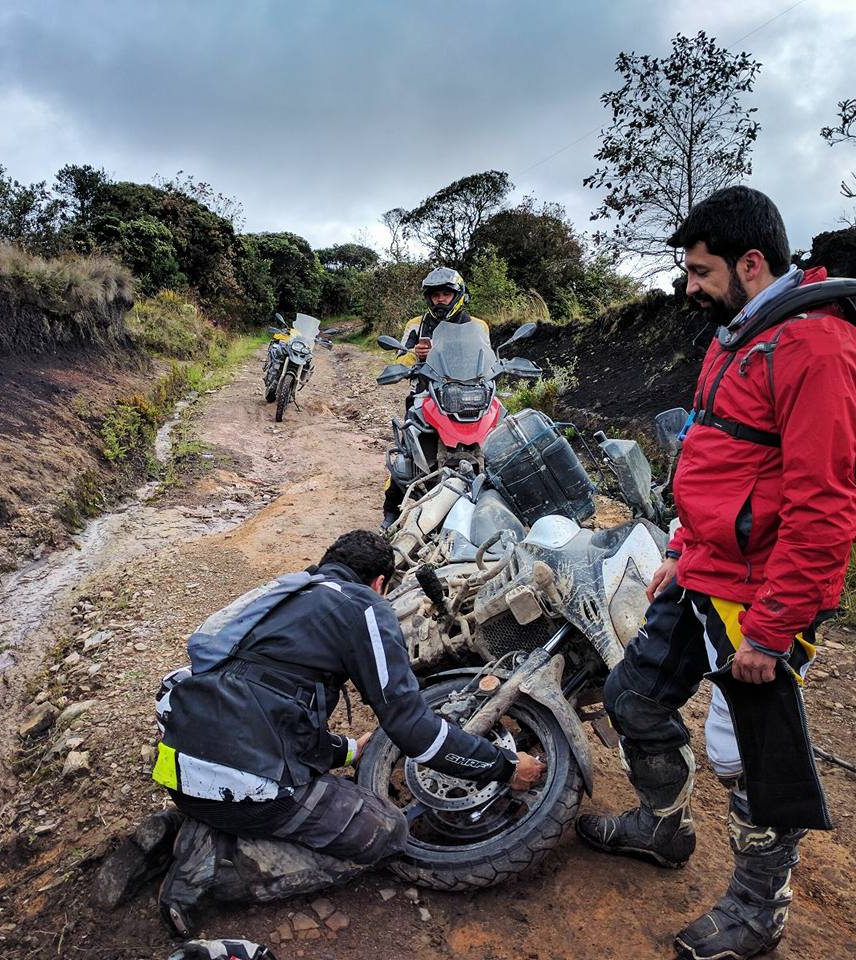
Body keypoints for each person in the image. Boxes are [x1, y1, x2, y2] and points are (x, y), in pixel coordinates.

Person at [575, 186, 856, 960]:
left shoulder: (815, 348)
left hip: (758, 598)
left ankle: (758, 912)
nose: (689, 286)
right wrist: (674, 550)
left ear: (752, 261)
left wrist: (772, 629)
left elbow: (824, 509)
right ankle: (663, 826)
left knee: (753, 761)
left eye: (700, 271)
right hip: (701, 571)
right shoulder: (739, 335)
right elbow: (709, 457)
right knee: (632, 697)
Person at [152, 529, 543, 937]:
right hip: (245, 787)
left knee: (272, 777)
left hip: (179, 767)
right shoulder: (364, 607)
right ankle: (214, 863)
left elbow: (265, 698)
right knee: (386, 832)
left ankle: (195, 821)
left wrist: (344, 751)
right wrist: (502, 766)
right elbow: (417, 734)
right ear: (380, 583)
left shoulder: (283, 593)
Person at [381, 267, 491, 527]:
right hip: (426, 395)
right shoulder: (416, 325)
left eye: (446, 293)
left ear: (458, 295)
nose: (440, 299)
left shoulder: (478, 326)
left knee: (498, 439)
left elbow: (487, 358)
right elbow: (400, 358)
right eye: (435, 295)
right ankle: (391, 510)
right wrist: (414, 356)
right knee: (408, 450)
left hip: (470, 393)